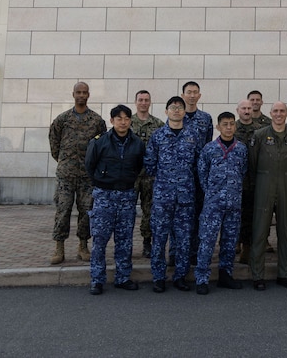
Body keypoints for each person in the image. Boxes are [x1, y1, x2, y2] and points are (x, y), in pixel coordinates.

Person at [84, 104, 145, 294]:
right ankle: (97, 279)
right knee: (100, 240)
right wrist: (103, 183)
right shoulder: (99, 142)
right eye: (119, 119)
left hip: (127, 196)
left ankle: (123, 277)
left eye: (126, 118)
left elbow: (140, 166)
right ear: (112, 121)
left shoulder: (136, 143)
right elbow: (89, 166)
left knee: (124, 239)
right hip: (104, 196)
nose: (123, 122)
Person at [145, 96, 202, 293]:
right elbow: (150, 164)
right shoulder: (158, 135)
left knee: (184, 238)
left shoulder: (193, 136)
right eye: (173, 107)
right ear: (166, 111)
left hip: (186, 197)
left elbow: (199, 165)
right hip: (163, 197)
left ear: (185, 112)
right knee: (159, 238)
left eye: (180, 107)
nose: (176, 110)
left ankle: (180, 276)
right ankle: (159, 277)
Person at [48, 81, 107, 265]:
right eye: (78, 92)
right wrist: (64, 161)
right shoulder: (62, 119)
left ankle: (83, 245)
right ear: (73, 94)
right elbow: (54, 142)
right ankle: (59, 247)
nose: (81, 95)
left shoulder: (97, 121)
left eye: (85, 92)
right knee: (63, 210)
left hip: (87, 177)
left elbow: (102, 146)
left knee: (87, 211)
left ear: (89, 95)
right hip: (66, 175)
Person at [248, 101, 287, 290]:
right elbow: (252, 164)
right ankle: (257, 275)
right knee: (260, 231)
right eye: (276, 111)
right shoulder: (260, 135)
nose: (279, 114)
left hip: (286, 186)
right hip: (264, 186)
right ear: (270, 113)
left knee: (286, 231)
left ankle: (285, 274)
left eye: (282, 111)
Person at [195, 111, 248, 294]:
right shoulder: (209, 149)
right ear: (218, 127)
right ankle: (202, 278)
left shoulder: (241, 149)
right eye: (224, 124)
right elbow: (202, 174)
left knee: (230, 241)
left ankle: (225, 275)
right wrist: (212, 192)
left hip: (234, 204)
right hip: (213, 205)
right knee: (207, 241)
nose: (228, 127)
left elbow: (244, 172)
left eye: (232, 124)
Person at [182, 81, 213, 265]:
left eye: (195, 92)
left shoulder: (206, 118)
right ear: (183, 94)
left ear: (199, 96)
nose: (192, 95)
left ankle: (194, 252)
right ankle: (177, 253)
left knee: (198, 214)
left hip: (199, 174)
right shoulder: (176, 116)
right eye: (189, 92)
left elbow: (207, 145)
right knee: (180, 215)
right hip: (181, 174)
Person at [130, 89, 163, 256]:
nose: (143, 103)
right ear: (136, 102)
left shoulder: (158, 125)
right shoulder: (127, 123)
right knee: (128, 210)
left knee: (149, 210)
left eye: (146, 100)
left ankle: (146, 242)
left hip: (150, 176)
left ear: (150, 102)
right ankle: (126, 242)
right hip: (131, 175)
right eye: (140, 100)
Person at [233, 98, 258, 262]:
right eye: (244, 108)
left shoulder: (260, 130)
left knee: (249, 215)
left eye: (249, 108)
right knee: (234, 215)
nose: (247, 111)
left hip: (254, 181)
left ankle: (247, 248)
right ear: (238, 110)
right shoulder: (231, 128)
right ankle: (234, 243)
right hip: (235, 181)